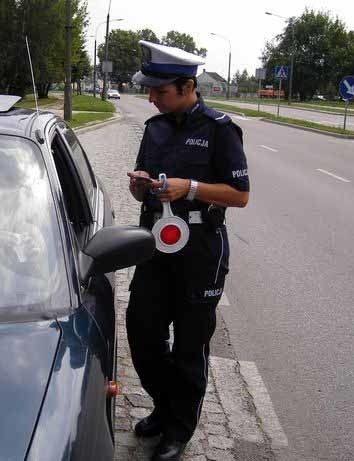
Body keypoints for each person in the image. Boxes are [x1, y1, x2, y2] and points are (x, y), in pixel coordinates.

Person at [126, 40, 250, 461]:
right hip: (155, 248)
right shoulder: (154, 128)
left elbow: (240, 194)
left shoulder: (219, 129)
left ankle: (178, 429)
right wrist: (140, 183)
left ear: (187, 86)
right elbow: (141, 181)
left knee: (190, 346)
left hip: (199, 251)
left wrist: (191, 187)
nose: (151, 98)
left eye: (159, 91)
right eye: (150, 91)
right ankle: (165, 406)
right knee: (142, 332)